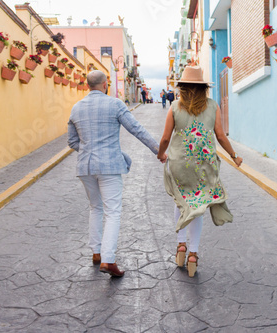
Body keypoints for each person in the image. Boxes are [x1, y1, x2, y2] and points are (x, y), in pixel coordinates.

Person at [68, 70, 167, 277]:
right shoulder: (115, 104)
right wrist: (159, 151)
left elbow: (72, 141)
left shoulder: (76, 108)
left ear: (88, 86)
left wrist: (88, 151)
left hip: (85, 166)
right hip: (109, 167)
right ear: (105, 85)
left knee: (95, 207)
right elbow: (136, 129)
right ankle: (108, 260)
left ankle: (96, 253)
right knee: (112, 211)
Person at [157, 66, 243, 277]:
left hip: (179, 164)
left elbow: (166, 138)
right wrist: (234, 156)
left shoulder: (175, 107)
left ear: (183, 88)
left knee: (181, 201)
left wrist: (161, 154)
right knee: (198, 204)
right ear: (203, 88)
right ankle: (193, 254)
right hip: (204, 165)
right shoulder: (213, 106)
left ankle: (180, 247)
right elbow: (221, 136)